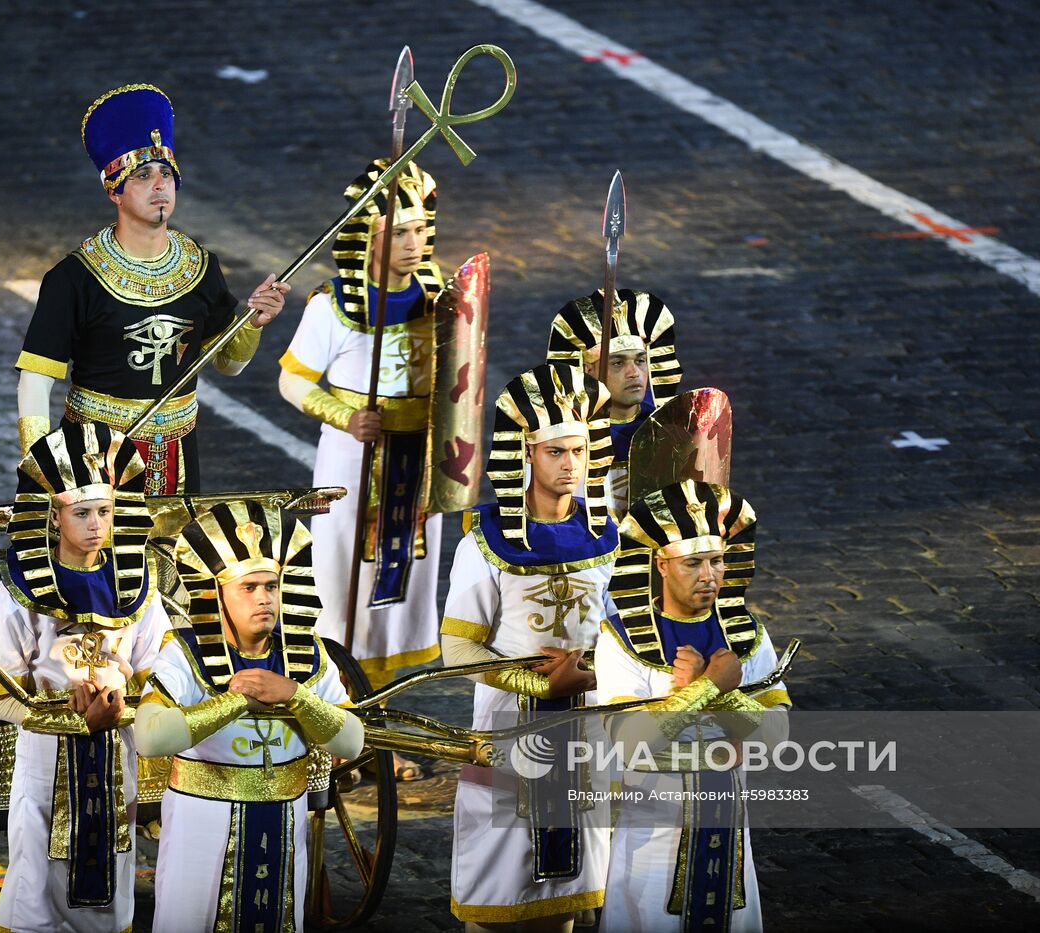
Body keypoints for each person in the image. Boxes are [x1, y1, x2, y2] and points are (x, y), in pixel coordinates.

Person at [15, 83, 289, 493]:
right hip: (95, 461)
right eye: (143, 175)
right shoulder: (74, 279)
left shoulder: (200, 266)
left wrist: (254, 322)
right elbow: (36, 379)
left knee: (174, 558)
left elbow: (228, 364)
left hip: (178, 458)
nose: (160, 185)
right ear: (114, 191)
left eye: (167, 175)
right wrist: (46, 470)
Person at [277, 159, 444, 777]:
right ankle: (338, 723)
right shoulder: (334, 306)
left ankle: (373, 725)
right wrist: (344, 416)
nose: (416, 242)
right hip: (354, 464)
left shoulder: (436, 295)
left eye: (422, 229)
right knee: (340, 590)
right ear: (369, 235)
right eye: (402, 231)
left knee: (394, 593)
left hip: (413, 470)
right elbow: (292, 380)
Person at [439, 363, 618, 931]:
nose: (571, 465)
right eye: (555, 452)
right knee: (496, 895)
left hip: (587, 732)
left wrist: (592, 678)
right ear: (526, 454)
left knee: (565, 898)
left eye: (580, 451)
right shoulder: (485, 544)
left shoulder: (609, 538)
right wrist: (539, 683)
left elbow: (628, 635)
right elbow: (457, 652)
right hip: (509, 732)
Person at [135, 500, 363, 932]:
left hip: (284, 820)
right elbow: (149, 737)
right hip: (202, 826)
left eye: (271, 586)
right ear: (217, 594)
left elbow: (352, 742)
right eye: (248, 587)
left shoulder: (308, 654)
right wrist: (236, 701)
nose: (264, 598)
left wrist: (295, 696)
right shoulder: (184, 652)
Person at [0, 420, 170, 933]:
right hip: (45, 759)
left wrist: (121, 710)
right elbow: (0, 695)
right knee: (38, 861)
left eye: (105, 511)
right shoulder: (17, 595)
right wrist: (70, 717)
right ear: (52, 514)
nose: (95, 524)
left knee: (116, 853)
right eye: (81, 512)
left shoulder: (138, 590)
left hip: (119, 749)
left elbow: (161, 674)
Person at [594, 480, 792, 932]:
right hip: (650, 840)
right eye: (693, 563)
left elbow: (778, 739)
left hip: (729, 833)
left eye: (717, 560)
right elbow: (630, 746)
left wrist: (721, 693)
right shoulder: (621, 640)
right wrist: (705, 691)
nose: (709, 576)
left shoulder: (747, 636)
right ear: (661, 564)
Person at [546, 289, 681, 518]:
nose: (633, 373)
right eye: (617, 363)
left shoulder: (669, 430)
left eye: (640, 361)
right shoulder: (560, 438)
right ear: (588, 370)